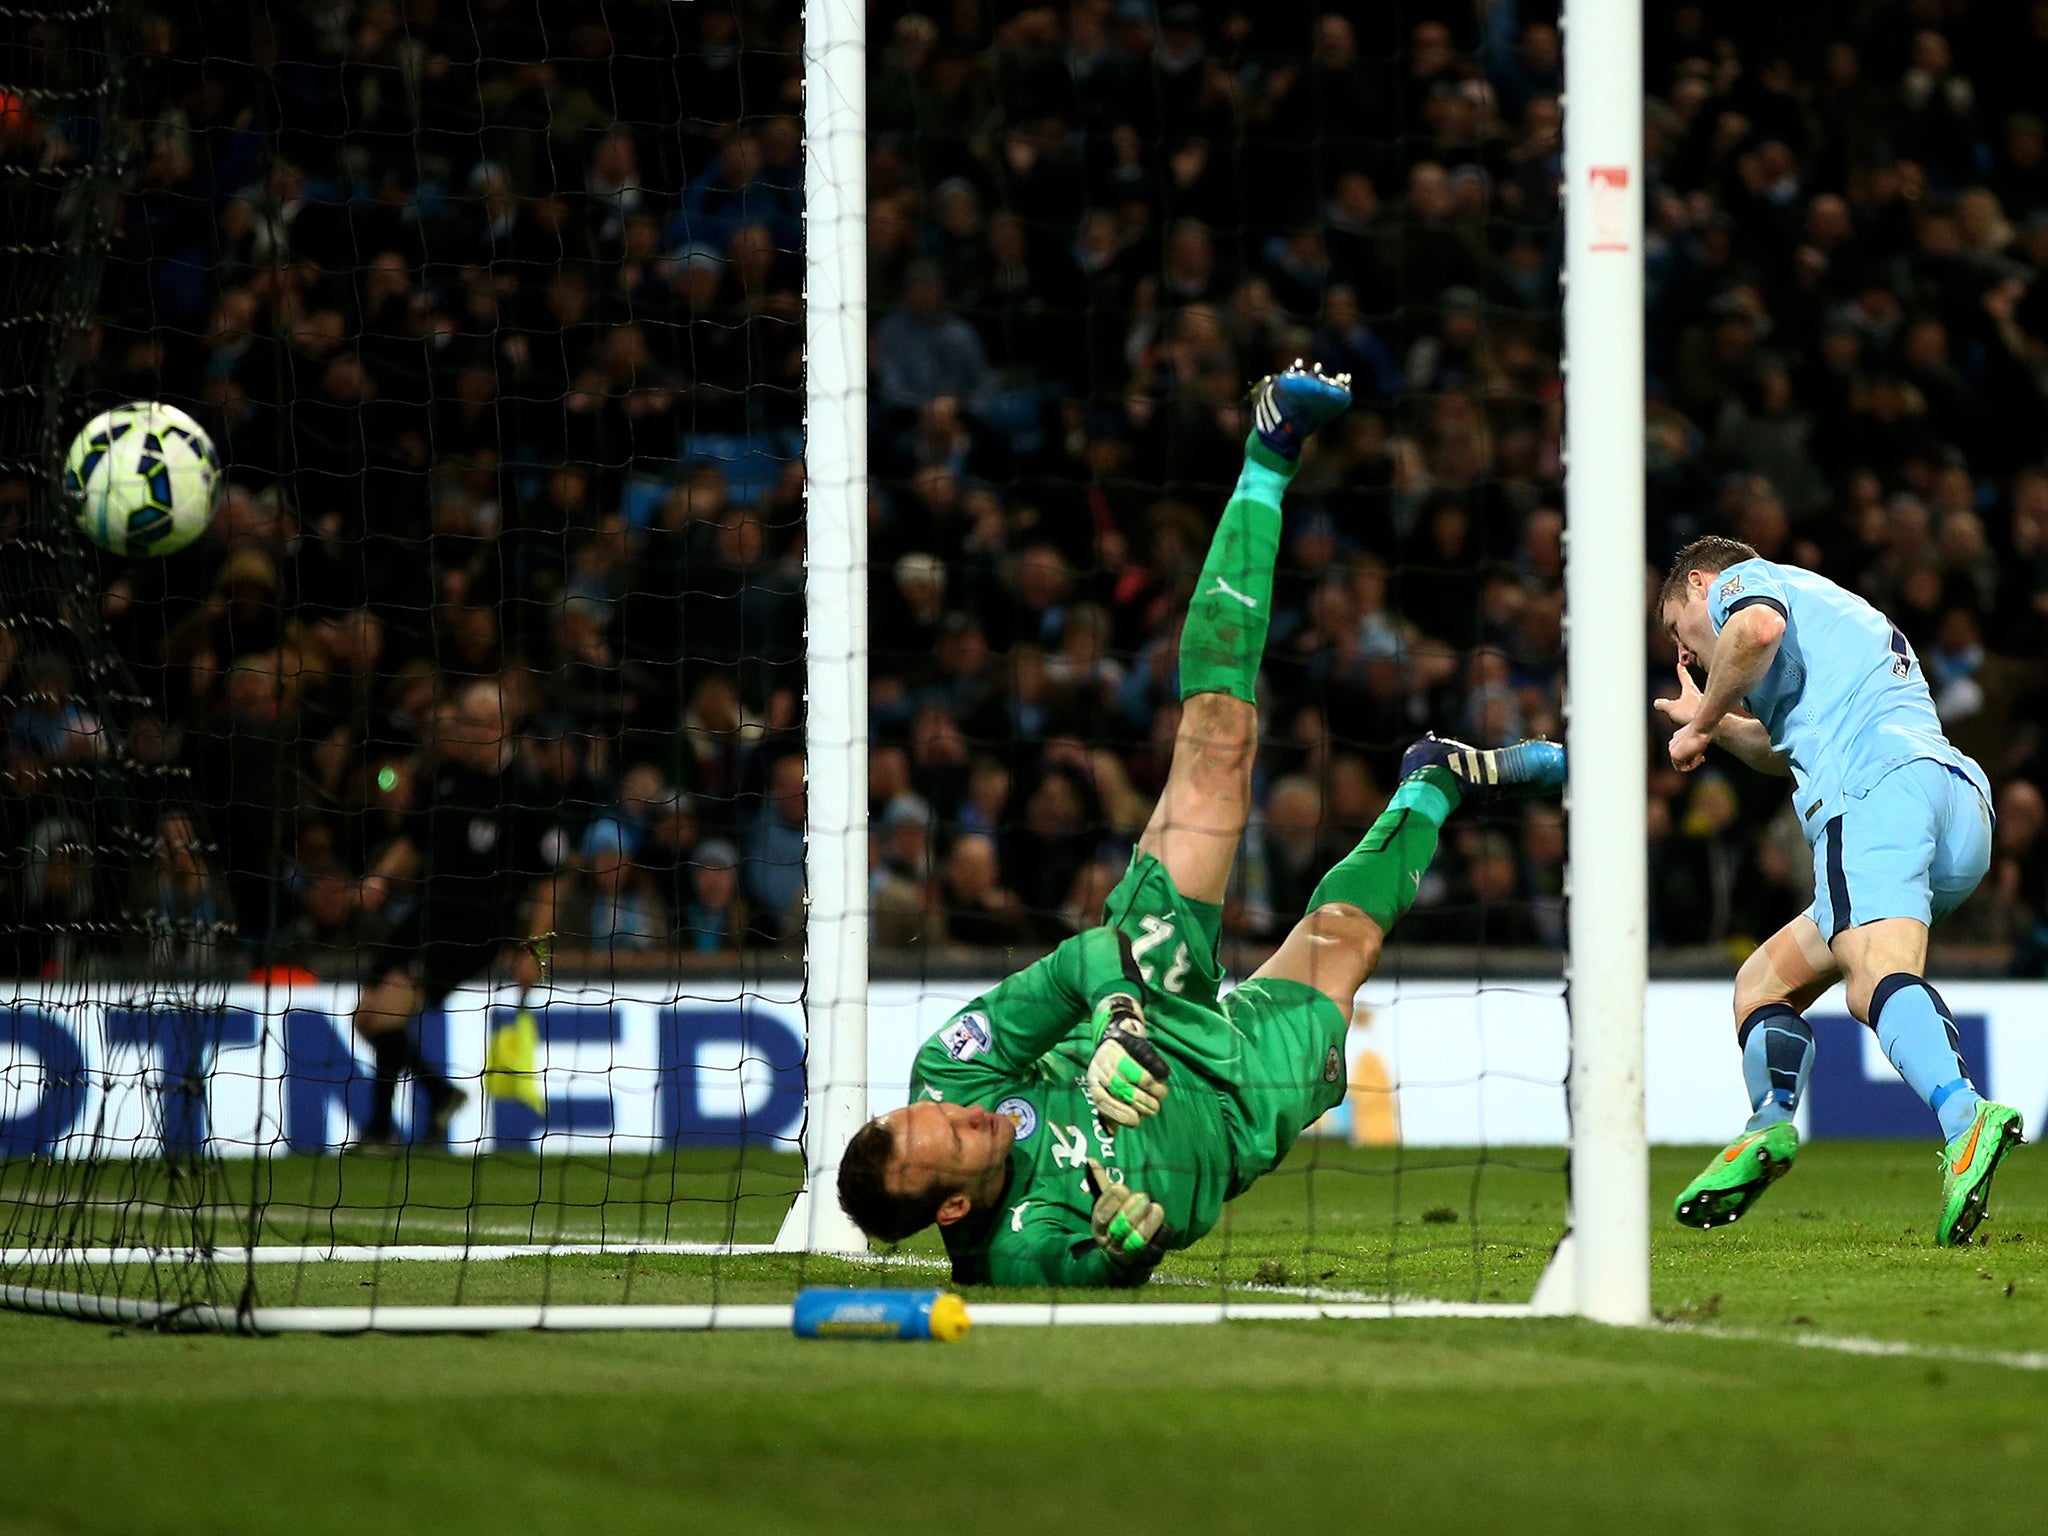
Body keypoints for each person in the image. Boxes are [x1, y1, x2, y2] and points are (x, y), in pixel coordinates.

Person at [834, 365, 1565, 1286]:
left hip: (1150, 1011)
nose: (962, 1115)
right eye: (956, 1137)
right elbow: (1097, 1272)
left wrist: (1116, 1019)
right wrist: (1125, 1245)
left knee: (1217, 745)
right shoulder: (1017, 1250)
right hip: (1229, 1113)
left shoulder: (951, 1070)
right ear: (951, 1208)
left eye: (931, 1113)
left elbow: (1072, 965)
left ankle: (1268, 451)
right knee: (1344, 940)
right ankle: (1435, 783)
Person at [1655, 536, 2022, 1246]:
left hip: (1874, 794)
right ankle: (1766, 1130)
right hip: (1952, 805)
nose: (1689, 653)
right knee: (1760, 983)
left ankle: (1965, 1118)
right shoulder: (1831, 609)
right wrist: (1715, 724)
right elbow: (1780, 745)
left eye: (1678, 631)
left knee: (1872, 980)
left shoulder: (1745, 584)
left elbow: (1753, 631)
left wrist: (1698, 725)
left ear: (1700, 584)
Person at [351, 681, 561, 1149]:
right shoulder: (444, 777)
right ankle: (433, 1099)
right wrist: (379, 881)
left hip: (475, 928)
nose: (472, 732)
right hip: (426, 914)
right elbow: (412, 839)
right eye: (467, 722)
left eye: (483, 724)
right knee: (366, 1018)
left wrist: (536, 951)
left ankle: (384, 1126)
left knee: (384, 1015)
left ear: (506, 727)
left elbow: (549, 883)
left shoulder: (528, 793)